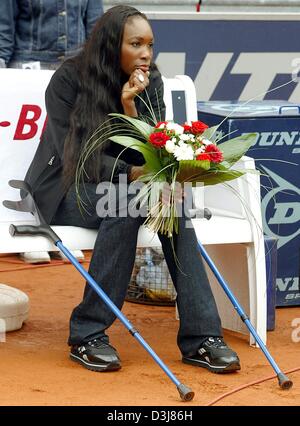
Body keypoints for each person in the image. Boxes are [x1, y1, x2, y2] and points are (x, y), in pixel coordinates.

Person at [22, 5, 241, 374]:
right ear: (111, 45)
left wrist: (131, 106)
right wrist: (132, 172)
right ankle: (88, 332)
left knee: (170, 202)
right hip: (64, 188)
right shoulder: (67, 79)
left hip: (125, 187)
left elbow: (155, 149)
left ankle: (201, 337)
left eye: (150, 45)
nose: (145, 54)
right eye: (136, 44)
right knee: (126, 202)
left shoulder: (148, 81)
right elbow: (75, 157)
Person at [0, 0, 104, 69]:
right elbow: (4, 23)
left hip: (75, 65)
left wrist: (98, 60)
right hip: (29, 64)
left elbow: (95, 23)